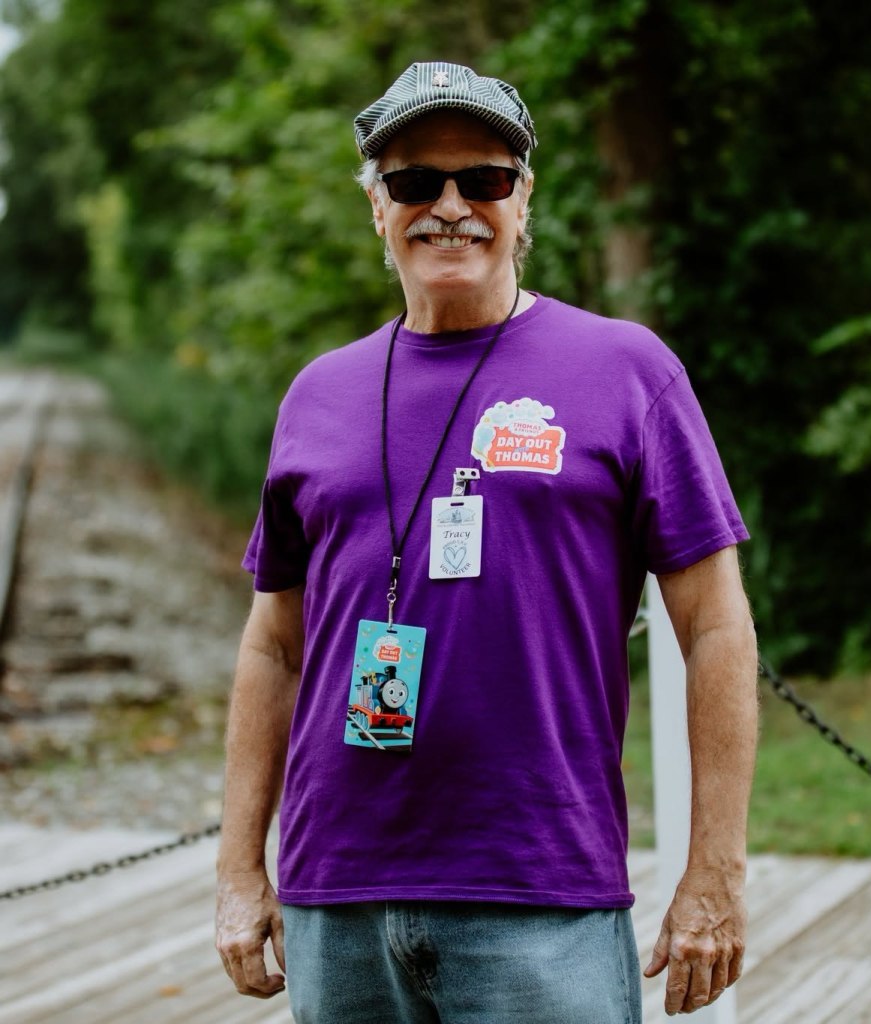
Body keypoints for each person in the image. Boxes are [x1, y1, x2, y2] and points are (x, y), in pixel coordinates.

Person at [215, 60, 758, 1022]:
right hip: (337, 899)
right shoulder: (318, 394)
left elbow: (715, 625)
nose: (451, 206)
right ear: (377, 206)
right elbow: (274, 645)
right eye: (415, 181)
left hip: (542, 893)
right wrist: (237, 868)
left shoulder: (627, 371)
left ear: (524, 197)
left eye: (484, 178)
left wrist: (714, 870)